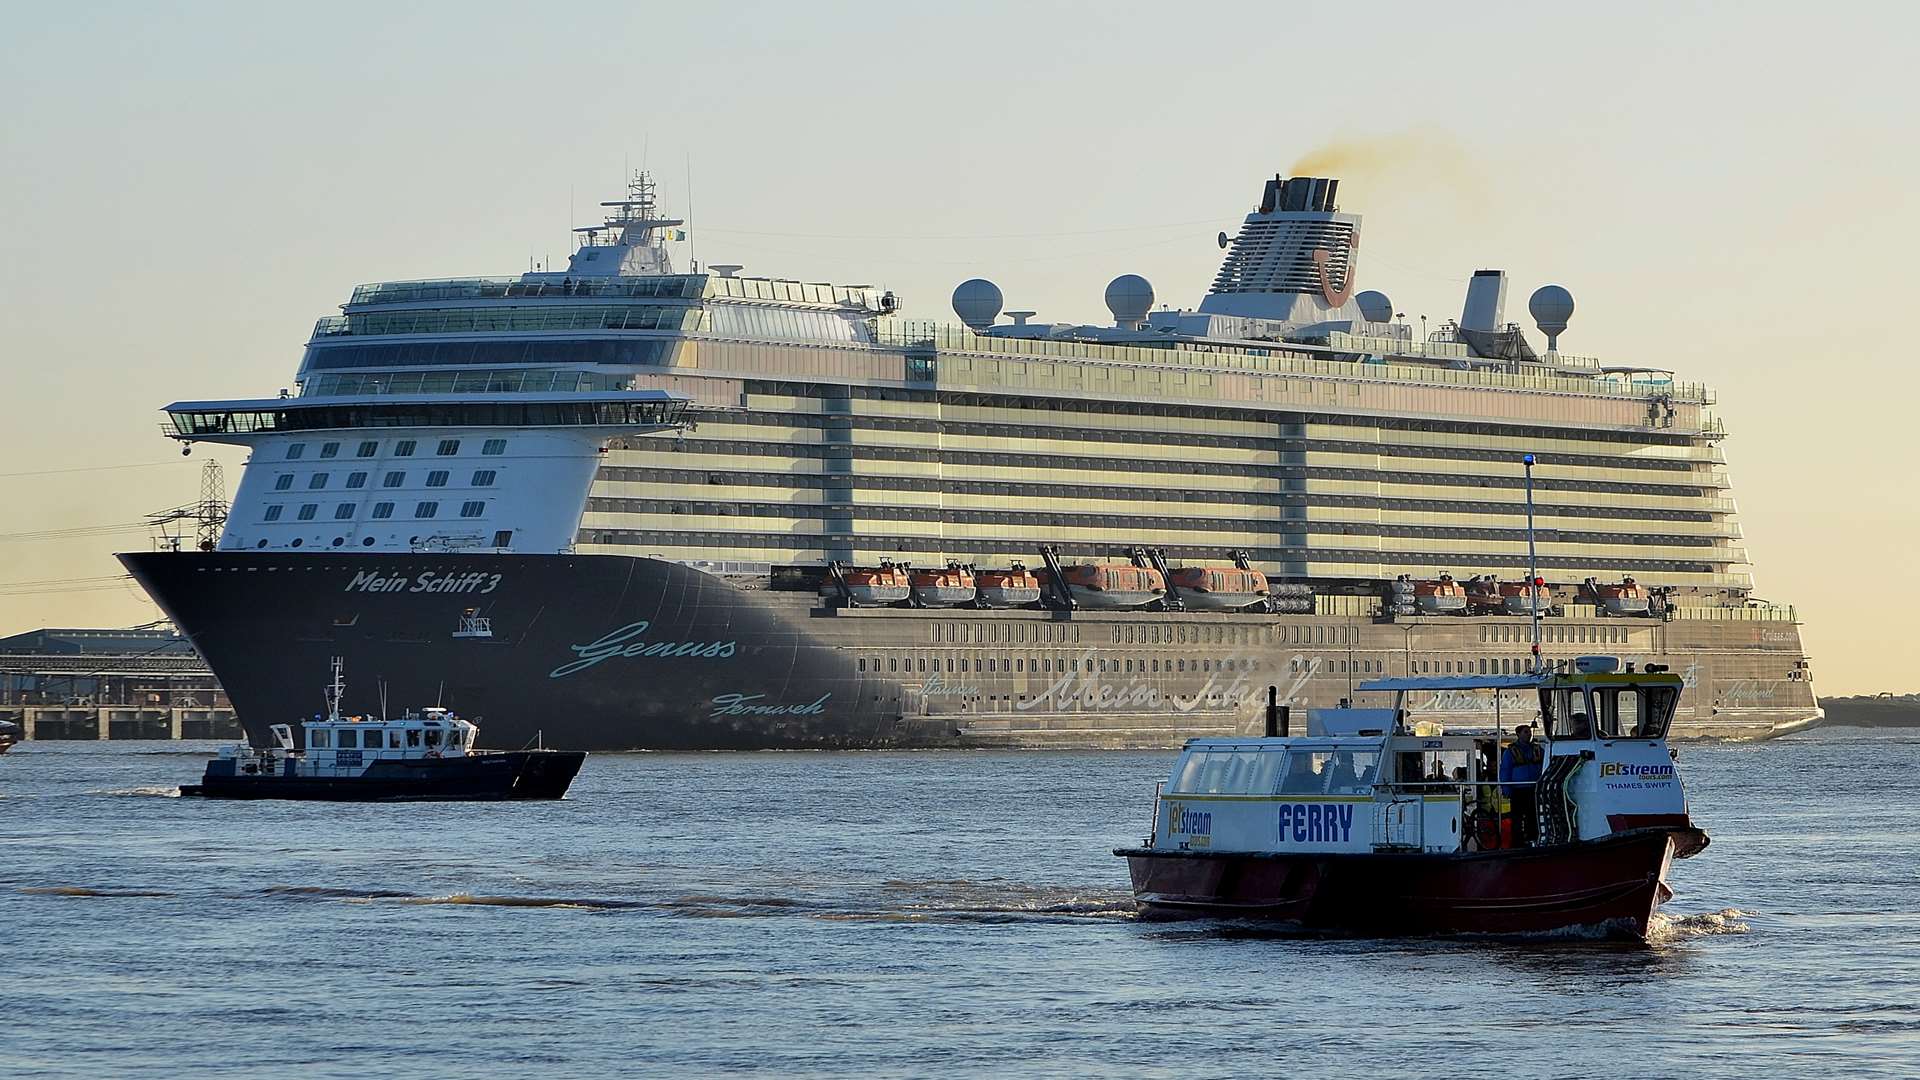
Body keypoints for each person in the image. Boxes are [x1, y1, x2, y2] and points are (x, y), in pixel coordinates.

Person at [1499, 724, 1546, 845]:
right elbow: (1505, 770)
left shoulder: (1538, 750)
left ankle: (1533, 839)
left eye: (1529, 732)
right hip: (1518, 790)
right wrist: (1506, 789)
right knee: (1517, 818)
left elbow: (1546, 764)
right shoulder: (1510, 752)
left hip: (1534, 788)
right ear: (1518, 734)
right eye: (1526, 732)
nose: (1529, 734)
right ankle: (1517, 843)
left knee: (1533, 816)